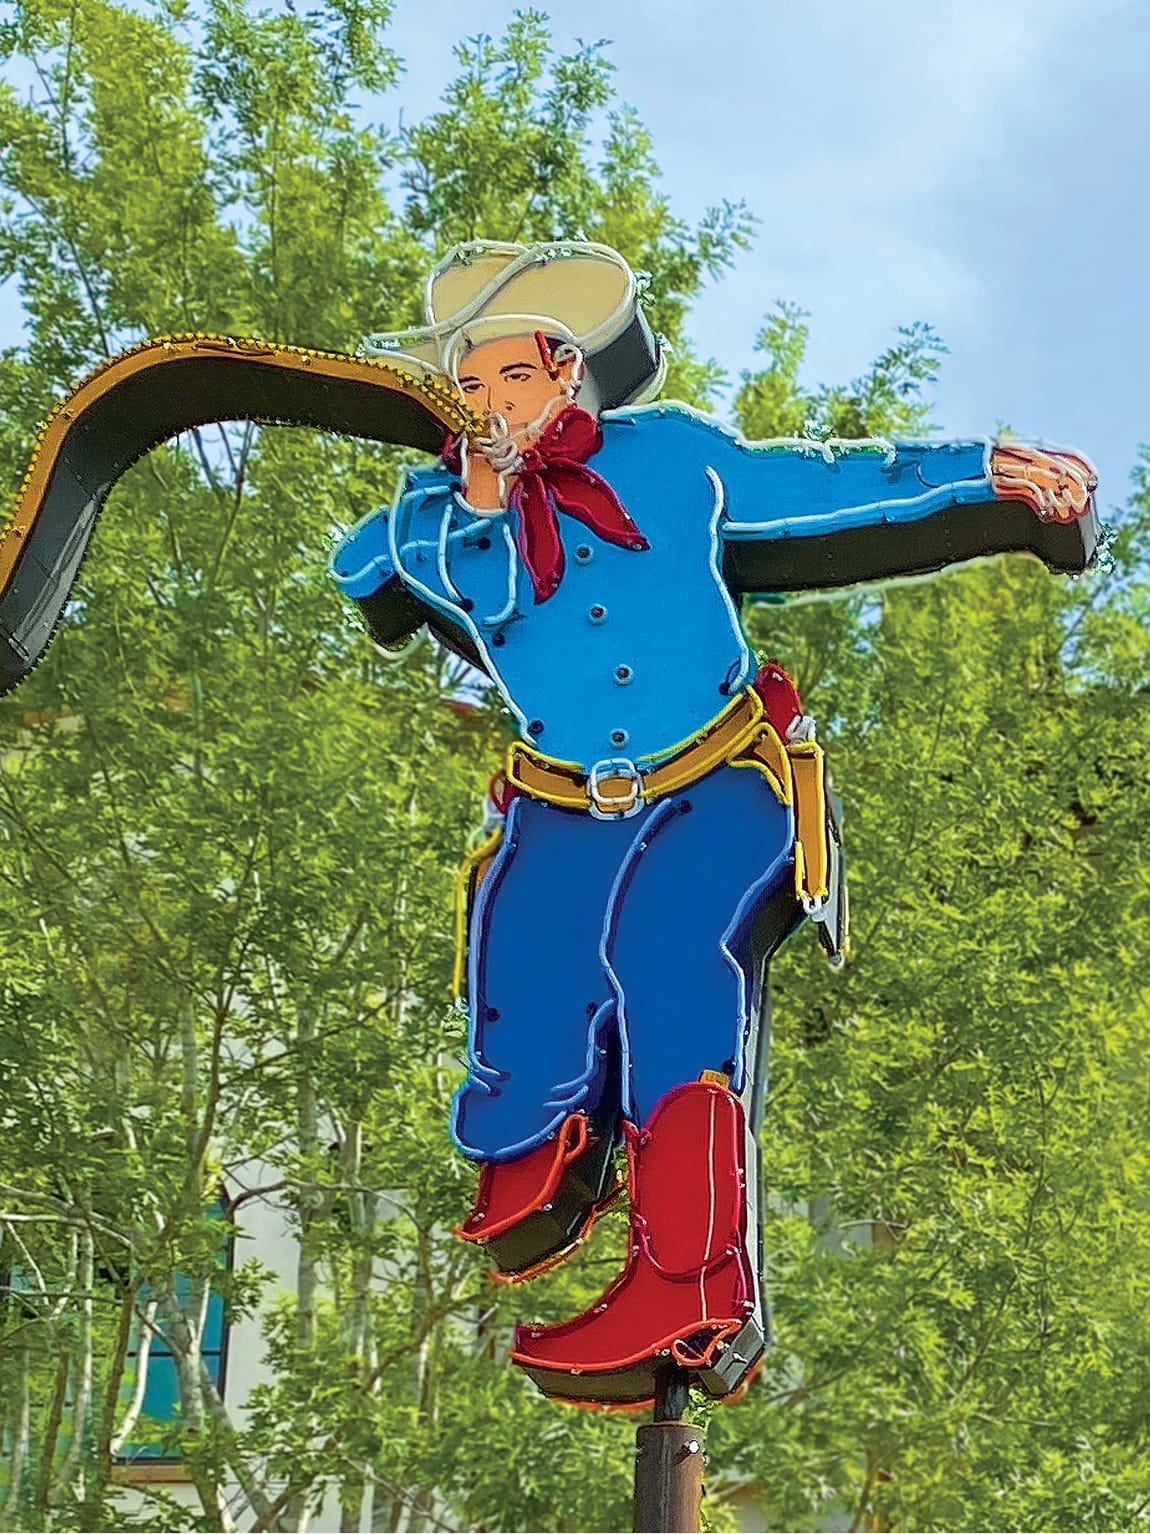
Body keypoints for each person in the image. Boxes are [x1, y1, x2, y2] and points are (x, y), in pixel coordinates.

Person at [331, 239, 1097, 1407]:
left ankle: (688, 1283)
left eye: (512, 378)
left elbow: (832, 484)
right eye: (468, 388)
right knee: (524, 973)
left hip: (717, 779)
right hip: (556, 799)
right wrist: (475, 501)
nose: (493, 407)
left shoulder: (673, 459)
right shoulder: (434, 517)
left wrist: (984, 472)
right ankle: (539, 1142)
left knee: (668, 955)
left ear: (567, 369)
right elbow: (413, 580)